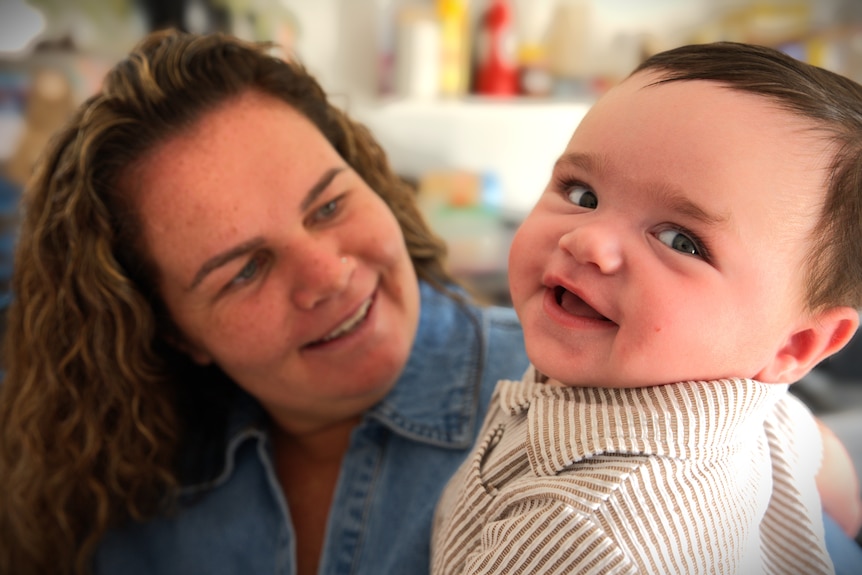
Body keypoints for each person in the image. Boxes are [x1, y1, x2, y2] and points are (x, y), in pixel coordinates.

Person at [0, 29, 857, 575]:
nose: (329, 273)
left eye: (329, 205)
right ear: (169, 327)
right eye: (243, 269)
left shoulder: (614, 406)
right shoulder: (133, 495)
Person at [432, 41, 862, 575]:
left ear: (797, 344)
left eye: (681, 241)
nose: (587, 242)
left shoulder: (576, 536)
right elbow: (822, 460)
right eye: (582, 193)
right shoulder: (740, 392)